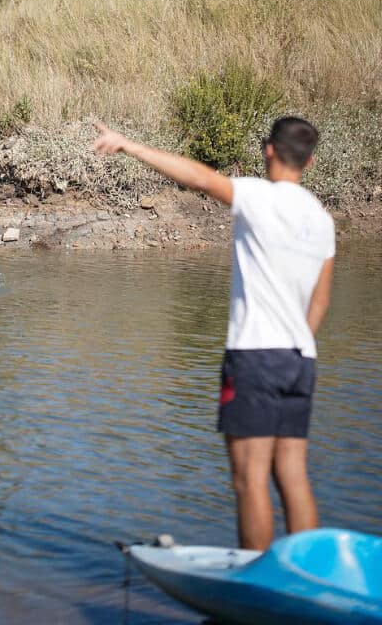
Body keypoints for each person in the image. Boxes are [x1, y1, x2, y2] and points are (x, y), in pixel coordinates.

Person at [92, 117, 335, 551]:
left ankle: (255, 584)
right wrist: (297, 343)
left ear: (268, 150)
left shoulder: (260, 197)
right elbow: (320, 300)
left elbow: (202, 178)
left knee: (249, 479)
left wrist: (130, 146)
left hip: (256, 358)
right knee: (293, 475)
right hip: (301, 359)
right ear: (311, 160)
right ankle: (308, 576)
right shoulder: (320, 218)